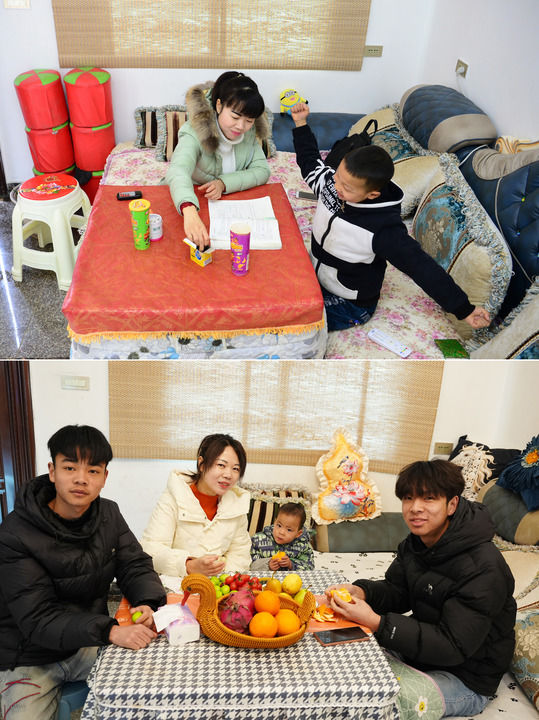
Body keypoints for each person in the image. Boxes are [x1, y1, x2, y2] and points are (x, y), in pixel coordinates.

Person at [325, 459, 516, 718]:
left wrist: (378, 623)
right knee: (338, 651)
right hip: (422, 654)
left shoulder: (483, 567)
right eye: (408, 498)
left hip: (467, 676)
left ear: (452, 504)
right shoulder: (416, 543)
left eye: (429, 498)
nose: (415, 508)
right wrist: (363, 592)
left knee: (375, 703)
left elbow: (453, 646)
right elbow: (399, 591)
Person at [0, 425, 166, 720]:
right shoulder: (15, 533)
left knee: (157, 681)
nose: (81, 478)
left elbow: (134, 564)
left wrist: (147, 601)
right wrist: (109, 630)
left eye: (93, 470)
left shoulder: (109, 514)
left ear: (104, 477)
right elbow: (38, 619)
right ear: (52, 471)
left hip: (87, 643)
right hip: (29, 656)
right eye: (70, 467)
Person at [290, 103, 491, 333]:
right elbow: (310, 162)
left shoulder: (384, 230)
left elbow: (421, 267)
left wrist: (464, 309)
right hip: (316, 277)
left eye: (347, 188)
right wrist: (301, 124)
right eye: (337, 178)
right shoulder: (331, 185)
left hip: (350, 302)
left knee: (291, 320)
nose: (337, 188)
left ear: (372, 194)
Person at [166, 71, 271, 249]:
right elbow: (178, 170)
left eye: (249, 120)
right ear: (219, 105)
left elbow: (262, 171)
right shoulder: (194, 132)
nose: (241, 126)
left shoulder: (249, 133)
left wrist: (223, 183)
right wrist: (188, 208)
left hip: (229, 210)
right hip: (189, 204)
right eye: (235, 117)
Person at [141, 433, 251, 578]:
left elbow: (240, 554)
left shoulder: (237, 505)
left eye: (235, 469)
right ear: (202, 464)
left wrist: (222, 579)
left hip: (219, 585)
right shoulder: (173, 497)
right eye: (221, 465)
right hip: (176, 583)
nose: (228, 475)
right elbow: (151, 550)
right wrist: (188, 565)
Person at [250, 502, 315, 571]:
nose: (281, 532)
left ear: (298, 534)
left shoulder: (303, 547)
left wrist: (291, 565)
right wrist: (267, 564)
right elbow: (250, 565)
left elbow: (309, 567)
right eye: (279, 525)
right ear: (275, 521)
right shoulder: (258, 540)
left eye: (289, 530)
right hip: (266, 577)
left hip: (291, 578)